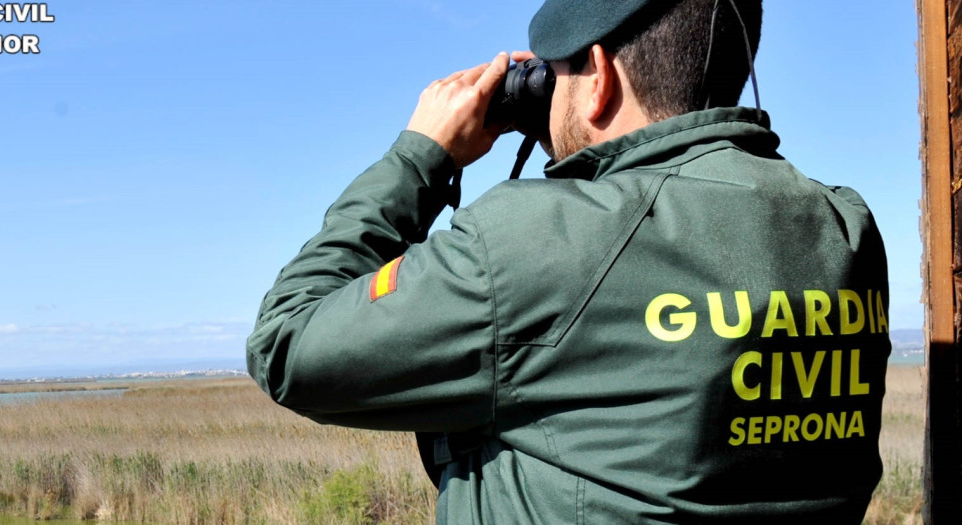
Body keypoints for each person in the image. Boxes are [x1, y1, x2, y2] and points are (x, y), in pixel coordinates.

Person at [247, 0, 891, 522]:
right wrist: (582, 155)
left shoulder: (537, 242)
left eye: (559, 74)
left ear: (602, 77)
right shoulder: (844, 229)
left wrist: (419, 157)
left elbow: (288, 344)